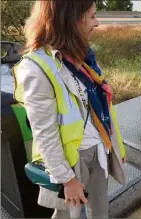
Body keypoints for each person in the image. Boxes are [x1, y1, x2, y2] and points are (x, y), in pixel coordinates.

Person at [12, 1, 126, 218]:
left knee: (100, 213)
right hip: (71, 161)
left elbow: (99, 110)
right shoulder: (37, 67)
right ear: (72, 19)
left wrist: (115, 148)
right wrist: (66, 178)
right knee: (66, 215)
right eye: (92, 16)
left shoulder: (82, 56)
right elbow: (44, 132)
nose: (97, 23)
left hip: (98, 149)